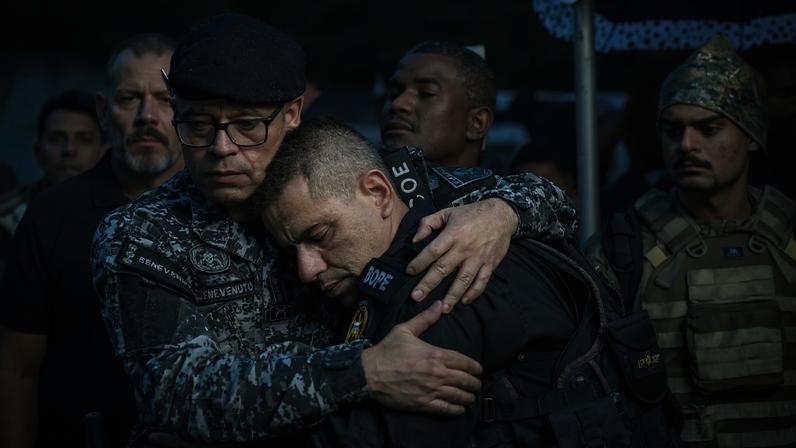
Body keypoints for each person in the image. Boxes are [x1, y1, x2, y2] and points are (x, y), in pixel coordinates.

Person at [91, 13, 580, 445]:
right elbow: (180, 394)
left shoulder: (343, 178)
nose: (222, 148)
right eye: (198, 126)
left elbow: (557, 206)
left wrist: (500, 213)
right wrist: (362, 371)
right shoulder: (142, 233)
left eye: (246, 125)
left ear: (292, 114)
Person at [254, 118, 676, 448]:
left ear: (379, 193)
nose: (307, 268)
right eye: (293, 251)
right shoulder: (463, 230)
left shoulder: (438, 276)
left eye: (320, 236)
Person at [588, 34, 796, 447]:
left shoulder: (789, 231)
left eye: (709, 128)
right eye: (673, 130)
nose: (687, 145)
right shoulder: (622, 246)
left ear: (751, 135)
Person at [0, 33, 183, 448]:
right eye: (129, 99)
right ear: (103, 111)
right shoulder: (51, 215)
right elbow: (16, 370)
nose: (147, 116)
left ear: (188, 110)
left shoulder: (221, 209)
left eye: (166, 99)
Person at [380, 41, 495, 167]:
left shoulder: (515, 185)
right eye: (393, 94)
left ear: (477, 123)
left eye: (426, 92)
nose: (397, 103)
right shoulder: (360, 183)